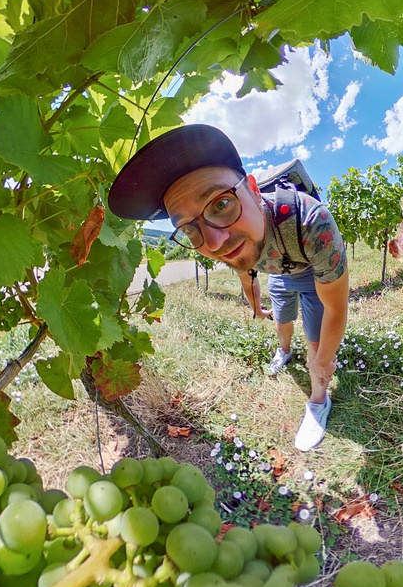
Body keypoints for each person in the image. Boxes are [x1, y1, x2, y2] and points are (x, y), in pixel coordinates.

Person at [109, 124, 349, 451]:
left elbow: (336, 306)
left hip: (308, 269)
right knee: (281, 319)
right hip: (277, 271)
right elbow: (245, 270)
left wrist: (324, 359)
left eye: (220, 205)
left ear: (251, 188)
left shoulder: (312, 223)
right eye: (189, 229)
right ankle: (284, 351)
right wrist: (254, 307)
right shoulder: (224, 238)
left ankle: (318, 400)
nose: (215, 241)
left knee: (316, 343)